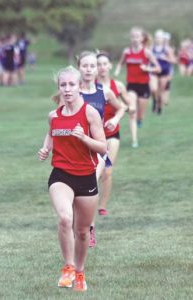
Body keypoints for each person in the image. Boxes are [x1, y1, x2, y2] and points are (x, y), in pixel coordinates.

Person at [38, 66, 107, 292]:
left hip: (86, 176)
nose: (67, 89)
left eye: (71, 85)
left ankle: (79, 271)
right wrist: (45, 148)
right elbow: (51, 131)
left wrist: (84, 137)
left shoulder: (89, 113)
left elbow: (103, 147)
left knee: (82, 231)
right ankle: (67, 267)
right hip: (61, 174)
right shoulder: (53, 115)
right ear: (59, 88)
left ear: (79, 87)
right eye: (63, 85)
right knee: (65, 218)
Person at [76, 51, 126, 247]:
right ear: (79, 68)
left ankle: (90, 227)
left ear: (98, 70)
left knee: (91, 183)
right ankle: (81, 223)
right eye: (85, 66)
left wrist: (114, 119)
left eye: (93, 66)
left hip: (98, 147)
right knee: (79, 191)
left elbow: (121, 107)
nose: (89, 70)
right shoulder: (73, 91)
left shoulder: (104, 91)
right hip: (77, 148)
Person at [96, 51, 135, 216]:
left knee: (107, 170)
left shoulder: (117, 86)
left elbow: (129, 103)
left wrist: (130, 108)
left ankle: (102, 206)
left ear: (110, 66)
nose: (102, 67)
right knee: (93, 172)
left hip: (112, 134)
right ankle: (86, 201)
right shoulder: (90, 86)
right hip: (94, 136)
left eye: (105, 64)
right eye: (99, 64)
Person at [114, 26, 160, 133]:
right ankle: (134, 127)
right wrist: (117, 71)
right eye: (133, 37)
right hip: (131, 85)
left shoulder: (146, 52)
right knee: (132, 110)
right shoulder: (126, 52)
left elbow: (158, 68)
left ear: (142, 38)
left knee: (140, 114)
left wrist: (147, 68)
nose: (135, 39)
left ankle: (140, 119)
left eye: (137, 37)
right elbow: (120, 64)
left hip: (144, 86)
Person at [151, 29, 177, 114]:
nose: (158, 39)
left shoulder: (167, 49)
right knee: (153, 89)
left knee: (161, 91)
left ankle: (159, 107)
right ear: (155, 39)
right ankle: (154, 100)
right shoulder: (151, 48)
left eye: (160, 38)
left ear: (163, 39)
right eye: (157, 37)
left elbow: (174, 60)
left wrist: (165, 58)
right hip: (154, 72)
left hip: (164, 72)